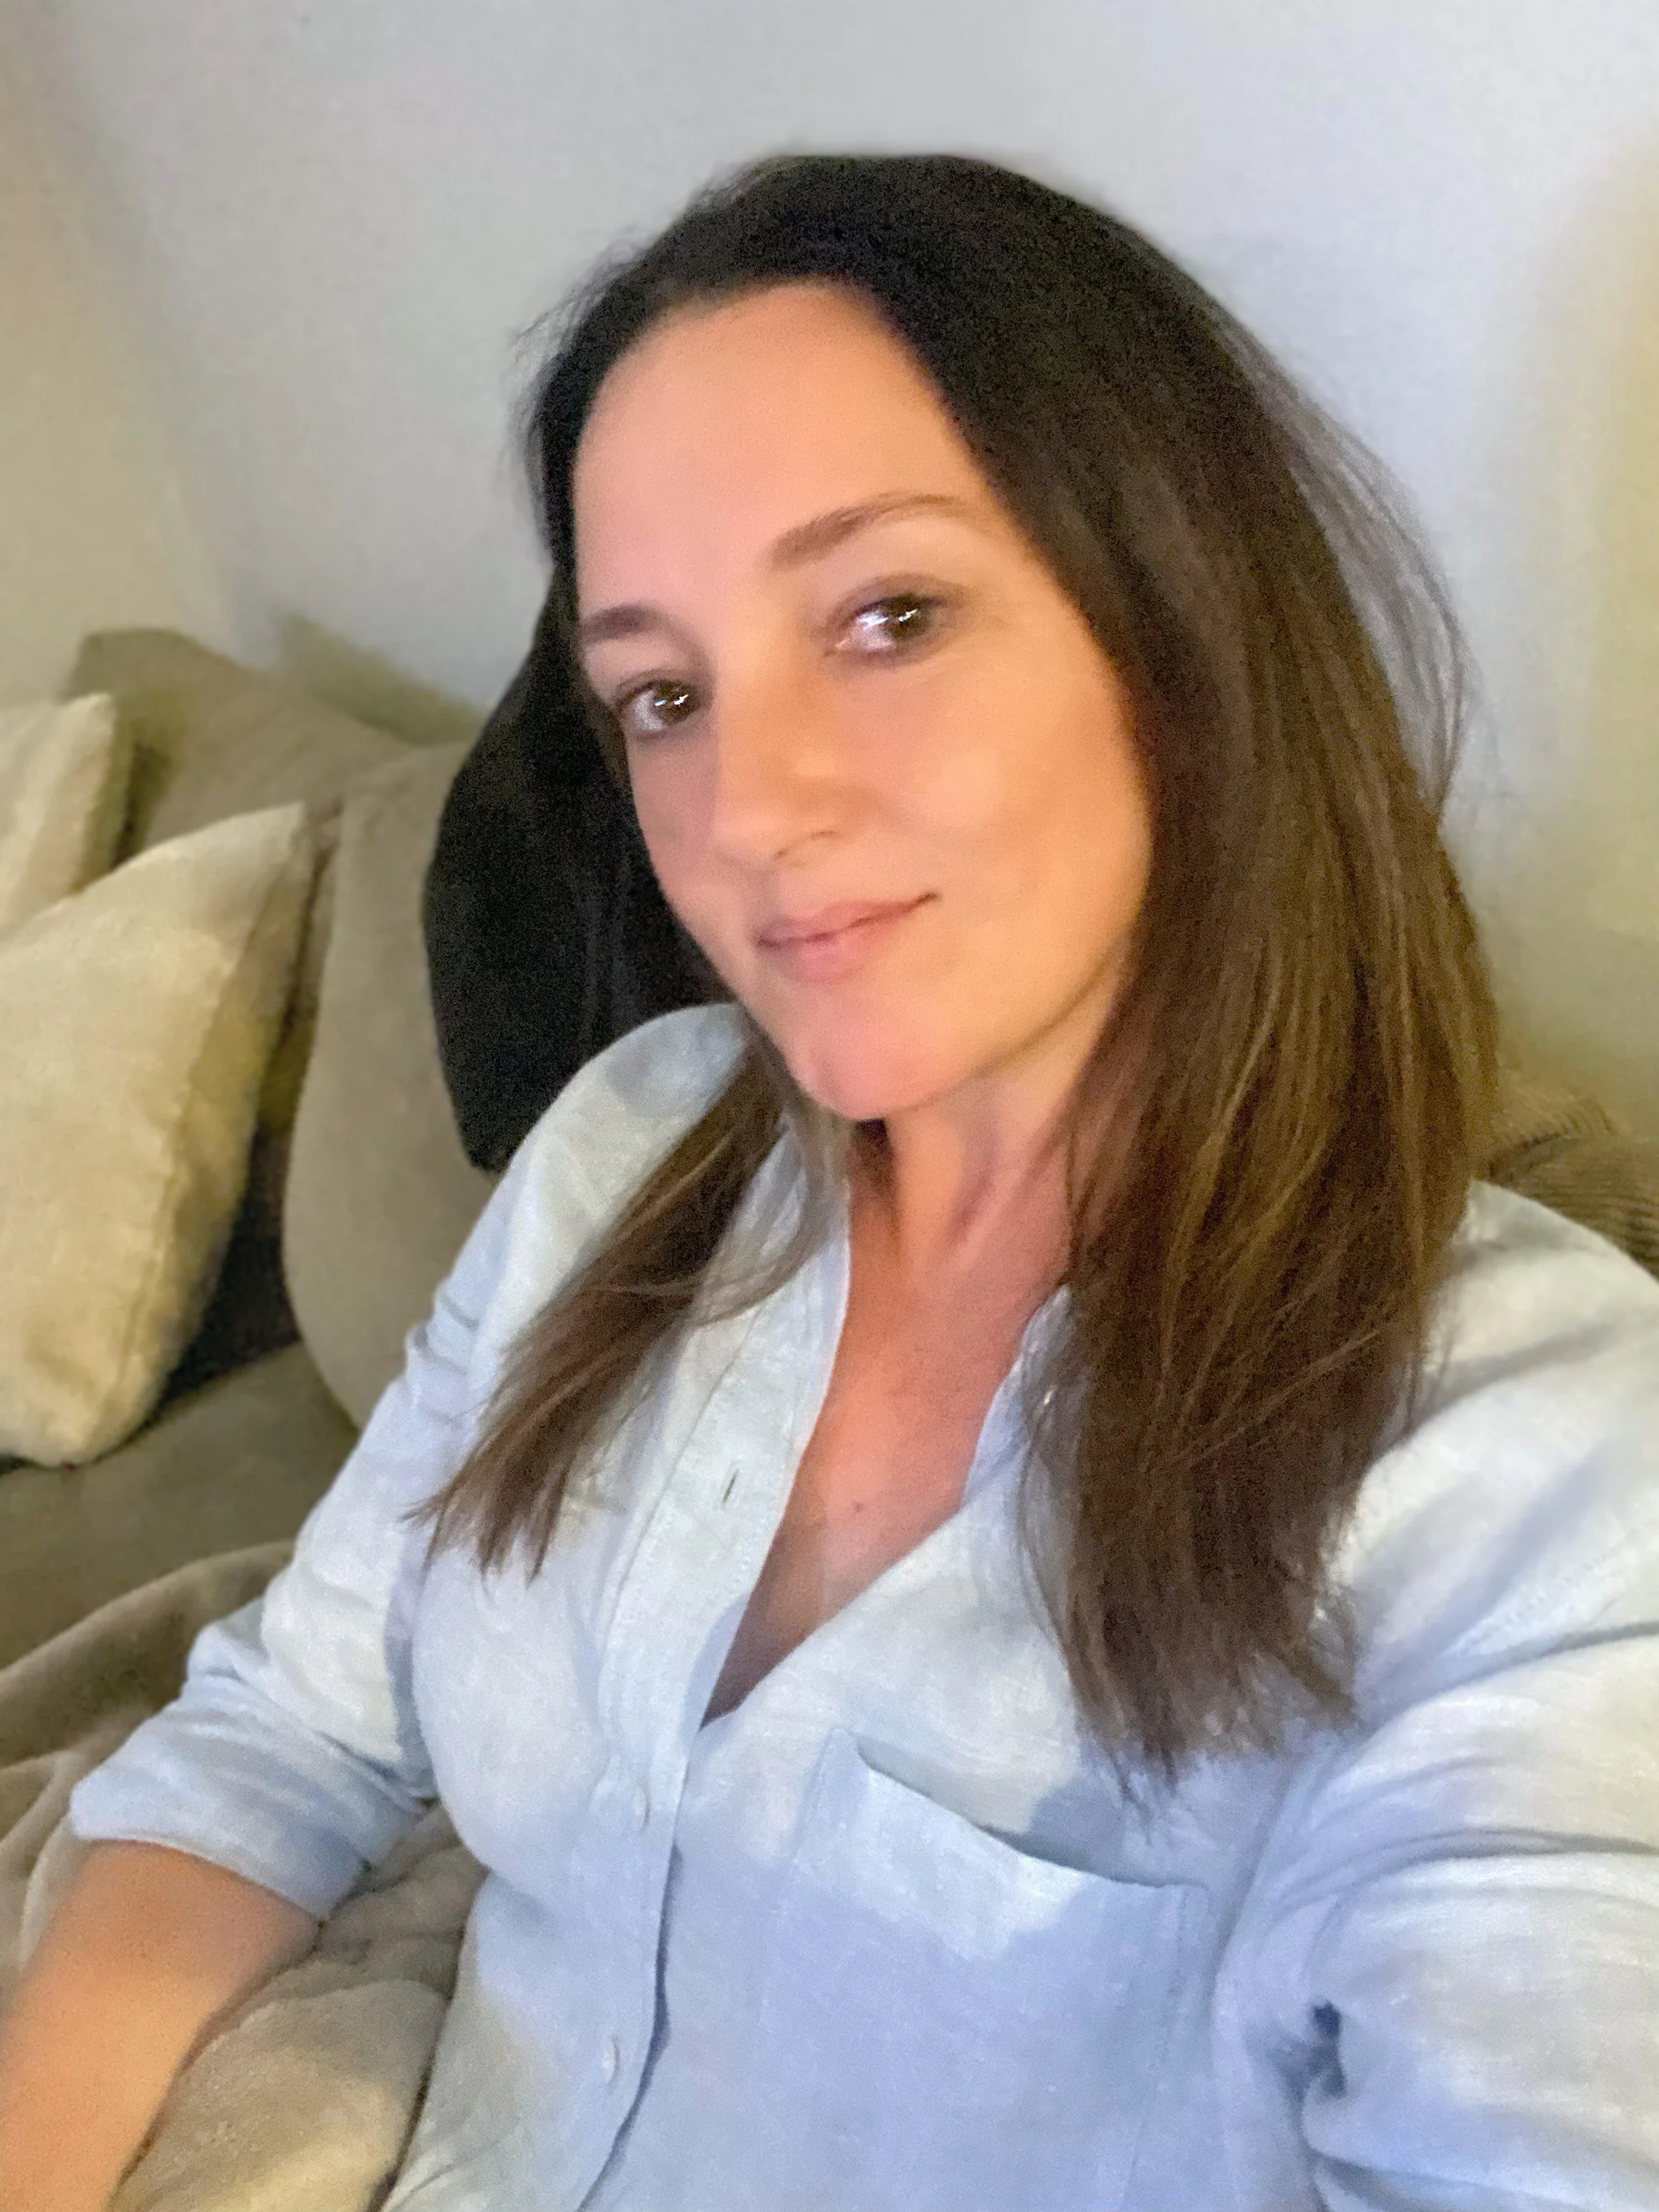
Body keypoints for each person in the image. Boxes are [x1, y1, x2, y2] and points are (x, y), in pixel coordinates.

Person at [1, 151, 1656, 2212]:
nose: (744, 810)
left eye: (887, 617)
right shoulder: (625, 1155)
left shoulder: (1540, 1471)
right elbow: (284, 1737)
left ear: (1184, 631)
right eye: (662, 698)